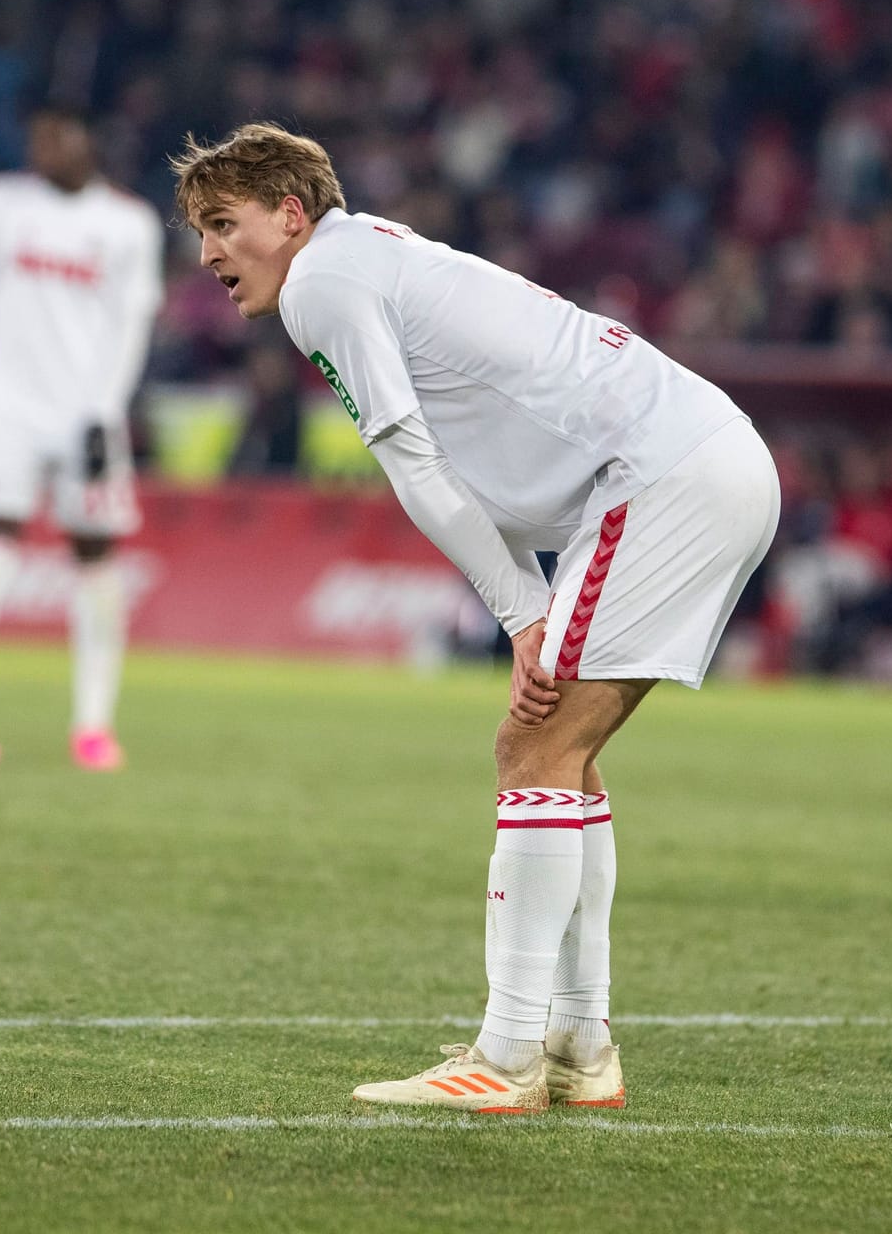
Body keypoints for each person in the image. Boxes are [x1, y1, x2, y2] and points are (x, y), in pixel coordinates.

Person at [172, 123, 780, 1112]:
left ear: (290, 215)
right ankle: (580, 1044)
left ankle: (507, 1055)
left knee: (529, 746)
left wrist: (522, 608)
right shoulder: (373, 253)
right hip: (693, 457)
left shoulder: (325, 281)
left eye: (223, 224)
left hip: (662, 475)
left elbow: (412, 460)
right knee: (564, 754)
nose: (208, 255)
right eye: (200, 233)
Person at [0, 105, 164, 770]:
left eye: (59, 136)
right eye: (38, 138)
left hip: (87, 412)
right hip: (10, 408)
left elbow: (130, 326)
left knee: (97, 557)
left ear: (89, 141)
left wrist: (104, 411)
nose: (46, 149)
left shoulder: (128, 224)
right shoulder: (0, 203)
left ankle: (92, 726)